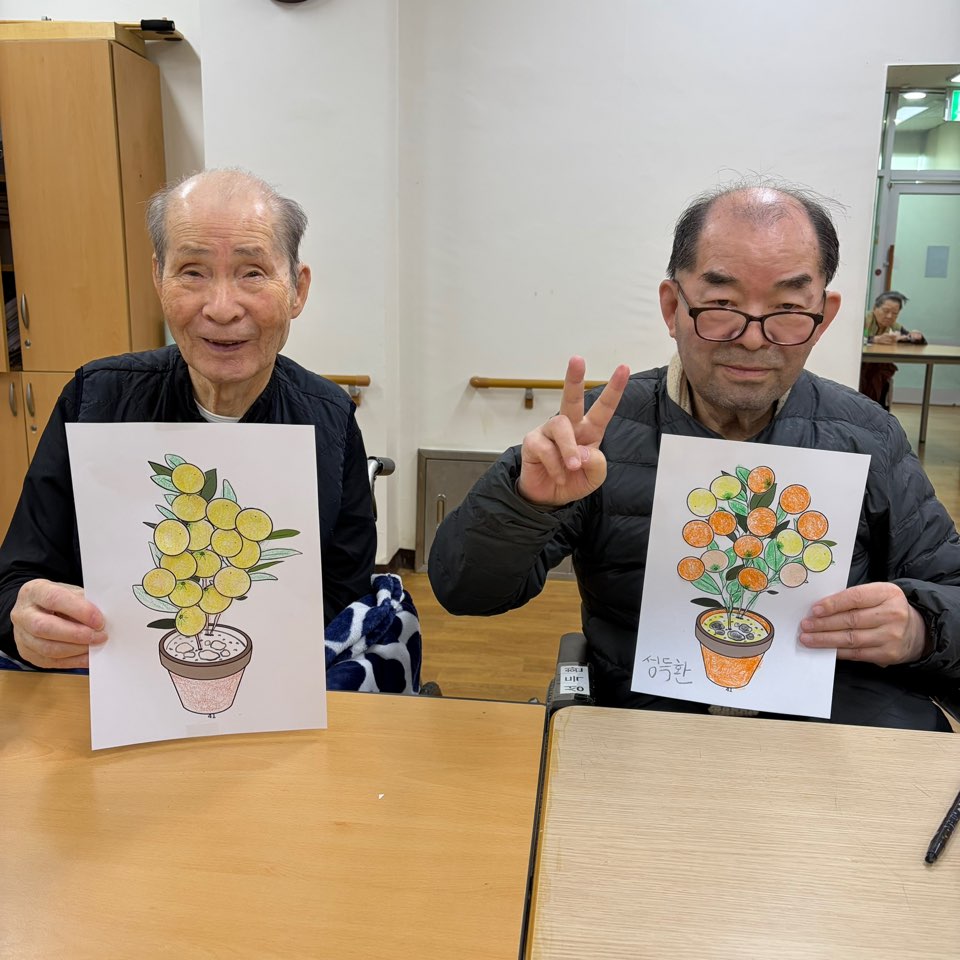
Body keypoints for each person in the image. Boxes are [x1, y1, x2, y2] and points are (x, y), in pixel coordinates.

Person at [429, 181, 960, 731]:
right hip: (649, 733)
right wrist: (526, 503)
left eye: (787, 308)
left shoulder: (867, 435)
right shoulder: (599, 434)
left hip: (831, 736)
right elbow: (465, 591)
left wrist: (920, 628)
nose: (752, 338)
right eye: (722, 304)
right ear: (672, 306)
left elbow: (952, 587)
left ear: (822, 317)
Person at [0, 169, 377, 670]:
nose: (221, 309)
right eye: (193, 272)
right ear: (160, 280)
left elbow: (345, 595)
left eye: (252, 272)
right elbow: (17, 578)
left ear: (297, 290)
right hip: (104, 687)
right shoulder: (94, 400)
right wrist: (25, 620)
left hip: (265, 682)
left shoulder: (329, 419)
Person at [859, 290, 924, 409]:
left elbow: (914, 340)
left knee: (882, 375)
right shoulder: (863, 320)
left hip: (879, 368)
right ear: (875, 308)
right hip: (860, 367)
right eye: (886, 311)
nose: (889, 316)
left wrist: (915, 336)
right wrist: (874, 339)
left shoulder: (895, 327)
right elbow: (850, 340)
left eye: (895, 313)